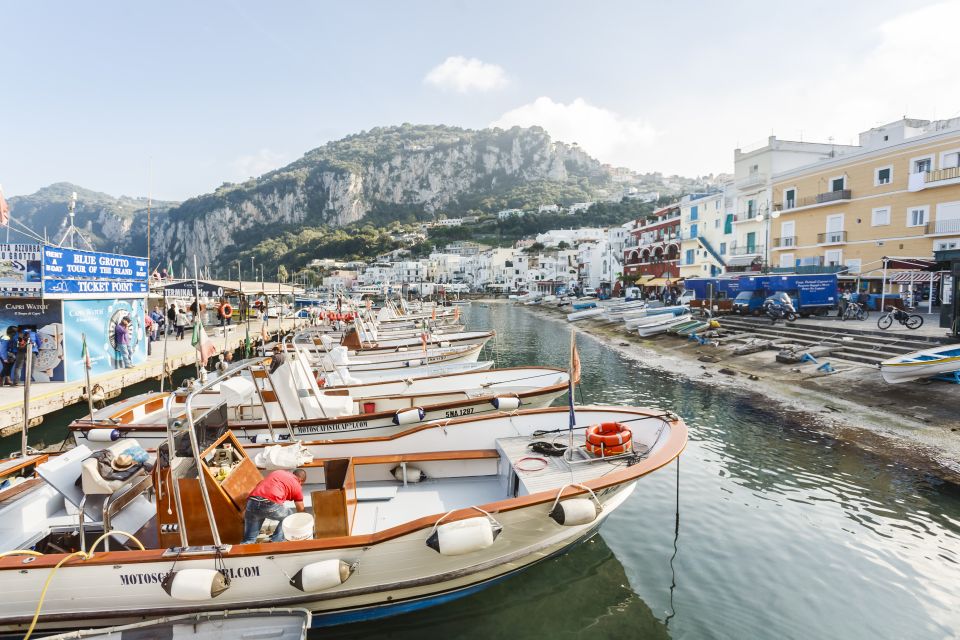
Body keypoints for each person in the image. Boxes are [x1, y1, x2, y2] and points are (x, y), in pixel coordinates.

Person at [241, 468, 306, 543]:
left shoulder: (278, 472)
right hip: (268, 503)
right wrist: (304, 523)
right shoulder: (297, 485)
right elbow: (300, 509)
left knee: (249, 539)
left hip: (252, 501)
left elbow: (262, 485)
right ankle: (276, 541)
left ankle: (239, 552)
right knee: (289, 515)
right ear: (301, 481)